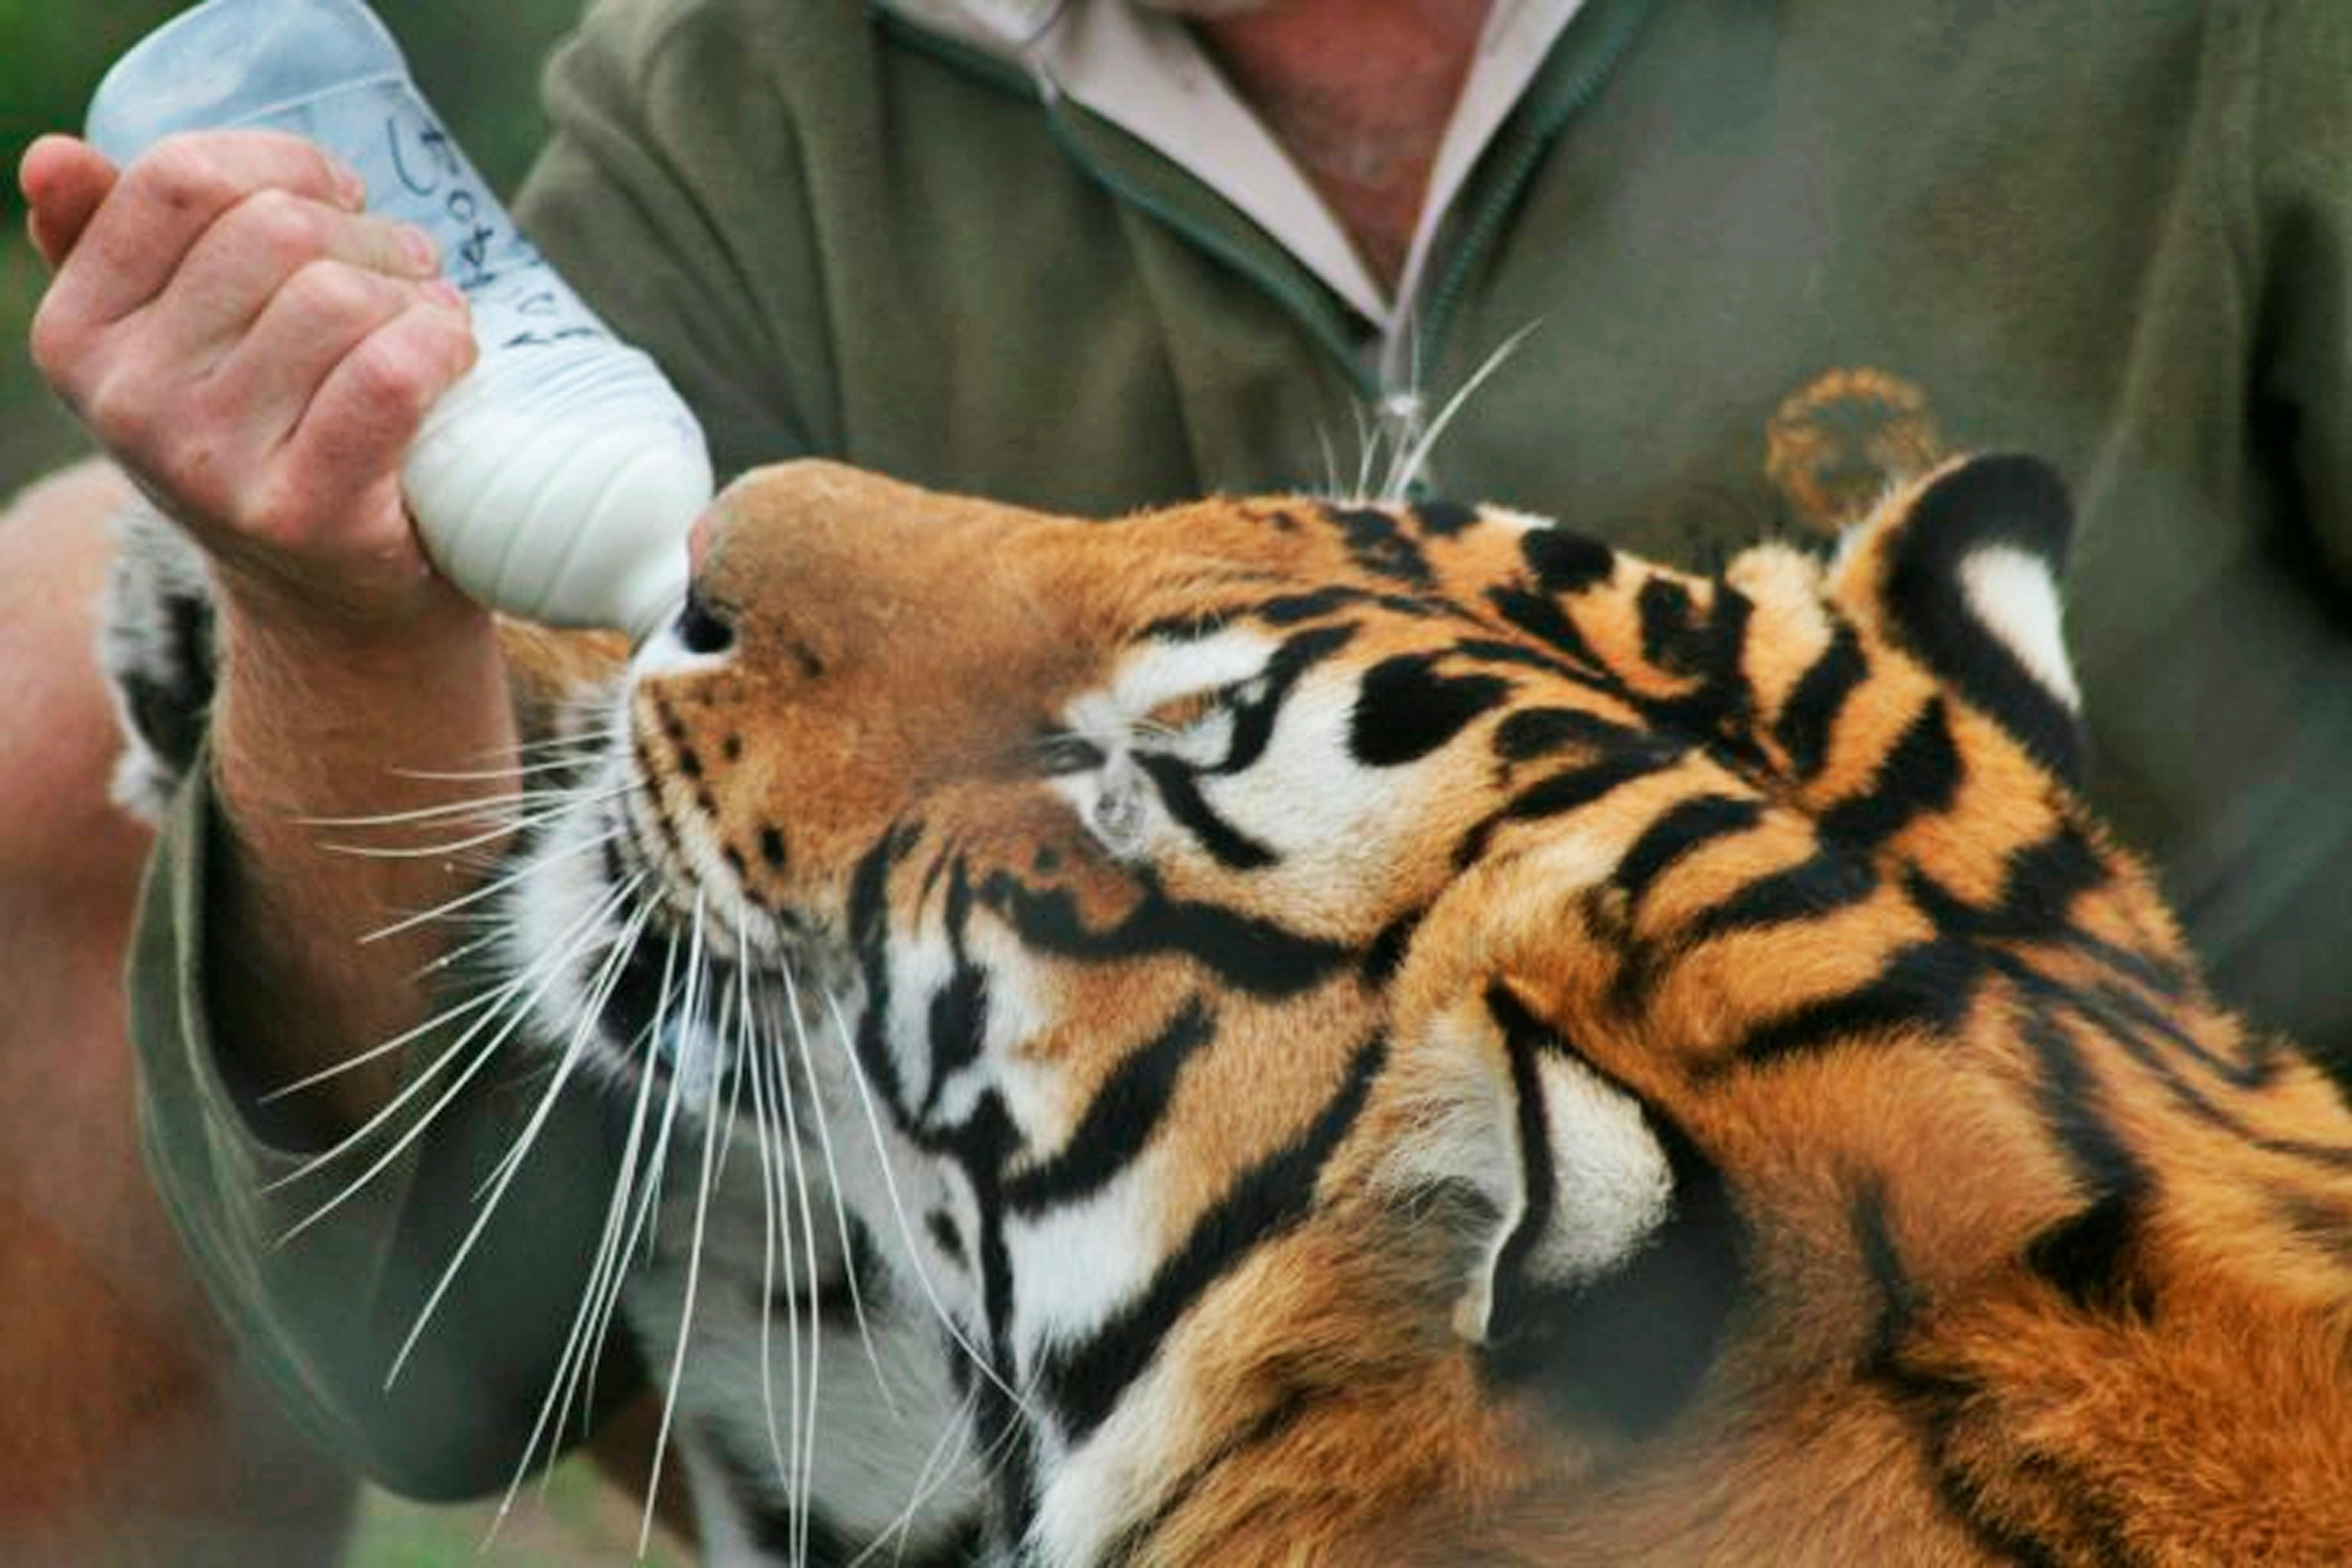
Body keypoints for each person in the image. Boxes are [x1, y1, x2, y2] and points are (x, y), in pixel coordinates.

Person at [13, 0, 2352, 1517]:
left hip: (2023, 1321)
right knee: (63, 639)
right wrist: (336, 625)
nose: (770, 531)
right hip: (1114, 1345)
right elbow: (446, 1361)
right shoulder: (752, 93)